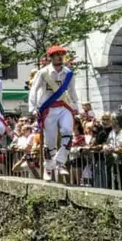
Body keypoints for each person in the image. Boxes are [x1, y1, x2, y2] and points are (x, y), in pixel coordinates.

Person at [29, 45, 79, 181]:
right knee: (50, 141)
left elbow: (72, 91)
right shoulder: (43, 72)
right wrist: (33, 108)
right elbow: (34, 90)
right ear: (51, 57)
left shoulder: (68, 73)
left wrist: (76, 106)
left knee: (67, 131)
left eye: (61, 54)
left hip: (64, 107)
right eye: (57, 55)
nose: (60, 57)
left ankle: (60, 162)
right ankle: (48, 167)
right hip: (48, 108)